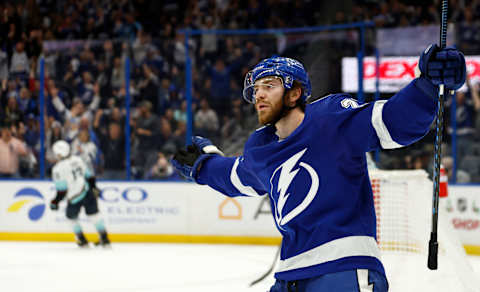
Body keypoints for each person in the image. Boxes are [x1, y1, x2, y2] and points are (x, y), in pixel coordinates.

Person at [171, 44, 466, 292]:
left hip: (344, 268)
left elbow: (394, 121)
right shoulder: (260, 148)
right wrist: (203, 165)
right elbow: (235, 176)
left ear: (295, 93)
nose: (259, 95)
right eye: (256, 89)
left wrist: (427, 86)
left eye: (269, 86)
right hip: (290, 275)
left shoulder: (332, 118)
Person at [49, 140, 111, 247]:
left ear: (59, 154)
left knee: (71, 218)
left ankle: (82, 240)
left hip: (74, 198)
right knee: (94, 215)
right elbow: (89, 176)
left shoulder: (57, 169)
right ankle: (104, 239)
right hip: (86, 191)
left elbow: (62, 191)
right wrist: (94, 187)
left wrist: (55, 202)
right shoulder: (77, 159)